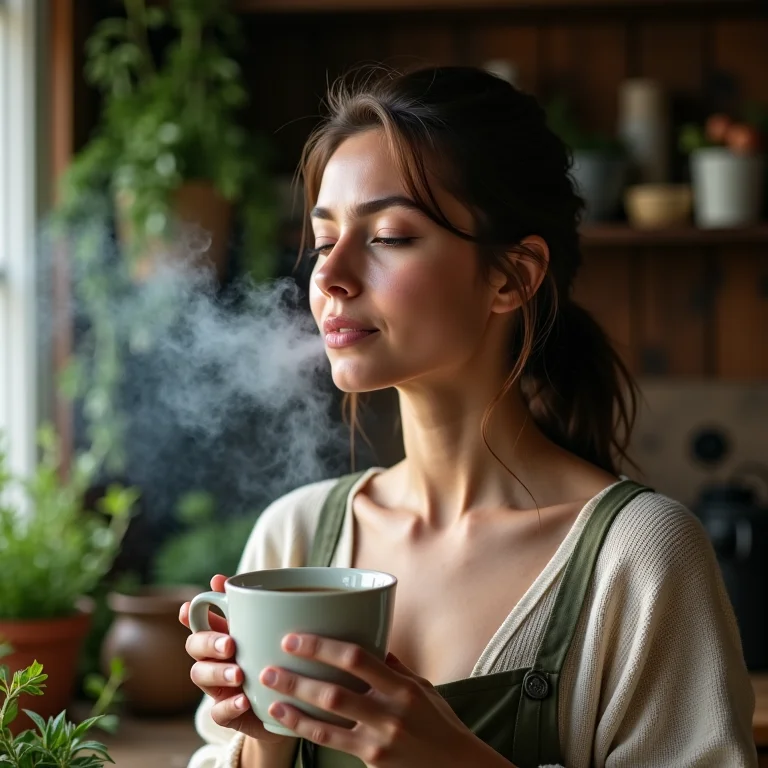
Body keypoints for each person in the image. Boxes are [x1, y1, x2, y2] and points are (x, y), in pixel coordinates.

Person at [180, 66, 757, 768]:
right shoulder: (294, 536)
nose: (328, 276)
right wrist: (262, 739)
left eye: (388, 236)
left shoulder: (641, 557)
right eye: (325, 241)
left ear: (512, 276)